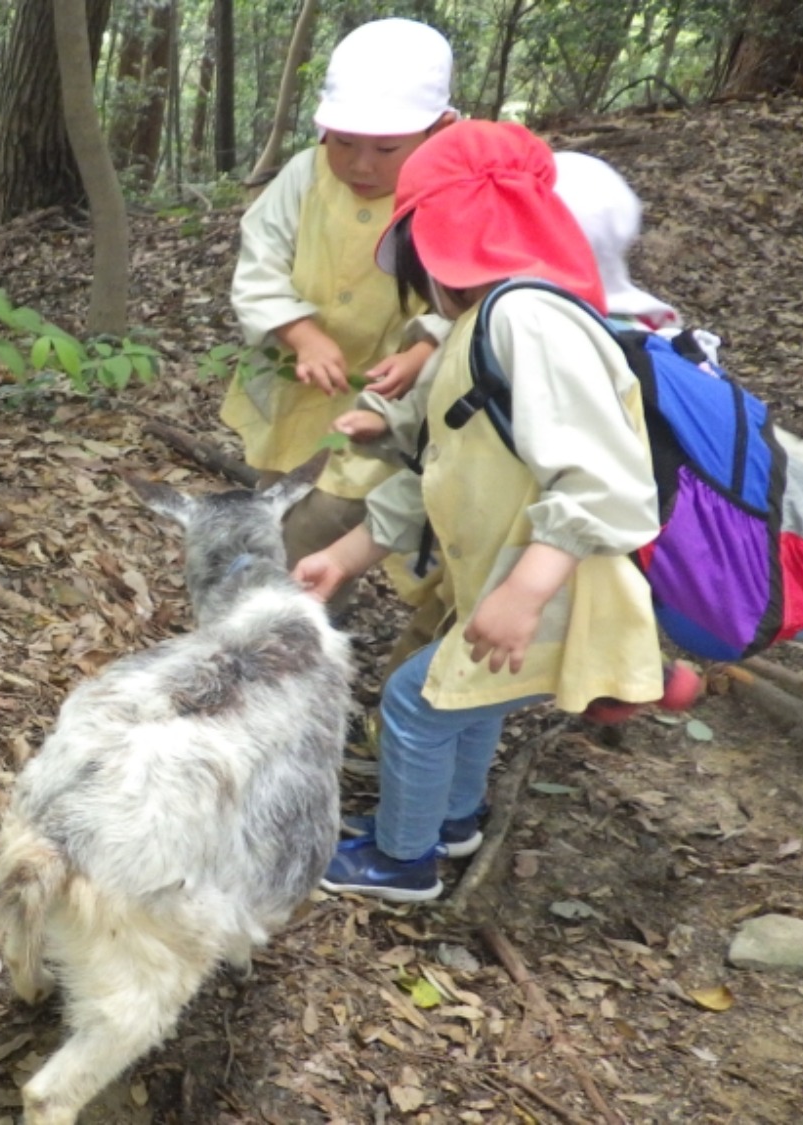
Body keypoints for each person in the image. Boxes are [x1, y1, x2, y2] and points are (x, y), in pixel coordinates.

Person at [294, 121, 671, 902]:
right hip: (514, 583)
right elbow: (441, 473)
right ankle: (450, 819)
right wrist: (344, 558)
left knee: (417, 701)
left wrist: (525, 591)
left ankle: (404, 860)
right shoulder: (485, 322)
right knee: (468, 698)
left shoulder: (528, 321)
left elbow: (606, 480)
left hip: (554, 589)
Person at [224, 18, 460, 615]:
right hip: (292, 384)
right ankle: (285, 608)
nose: (360, 164)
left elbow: (467, 295)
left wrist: (425, 346)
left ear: (440, 131)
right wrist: (300, 332)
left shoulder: (448, 194)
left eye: (386, 149)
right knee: (277, 491)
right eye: (343, 142)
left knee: (328, 514)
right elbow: (261, 261)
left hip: (384, 398)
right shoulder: (304, 175)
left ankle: (297, 621)